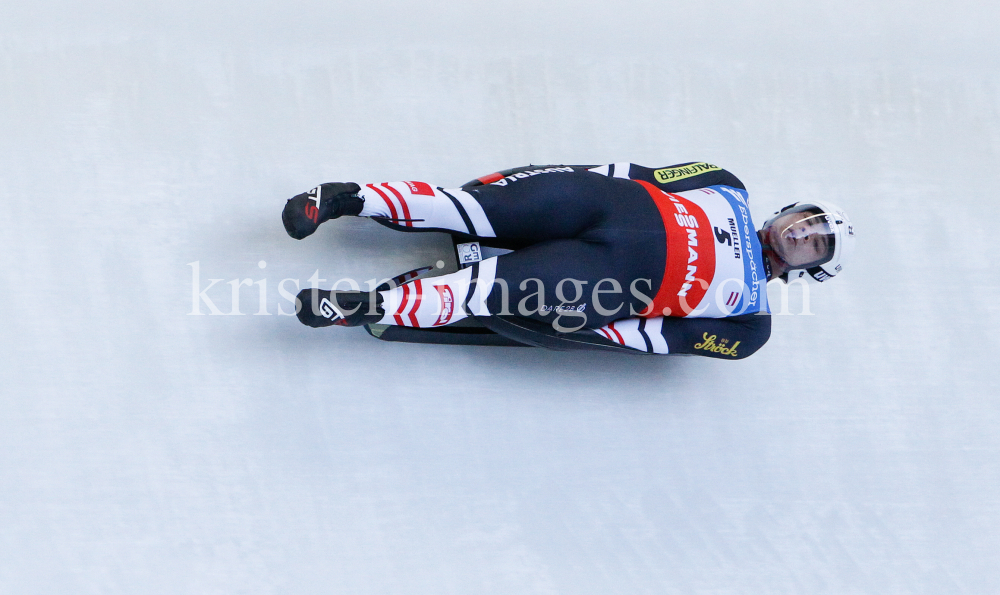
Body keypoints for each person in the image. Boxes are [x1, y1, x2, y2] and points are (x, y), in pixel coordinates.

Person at [280, 162, 854, 359]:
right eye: (810, 218)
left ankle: (356, 306)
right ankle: (342, 198)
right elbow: (636, 175)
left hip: (606, 282)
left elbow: (660, 339)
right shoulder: (726, 184)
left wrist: (579, 329)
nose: (806, 231)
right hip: (598, 203)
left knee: (481, 291)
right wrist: (546, 174)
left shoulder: (750, 324)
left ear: (813, 267)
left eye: (817, 241)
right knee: (472, 209)